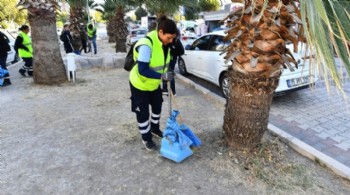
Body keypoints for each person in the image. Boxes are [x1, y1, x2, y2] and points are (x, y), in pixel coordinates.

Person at [129, 16, 177, 151]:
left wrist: (169, 73)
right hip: (140, 84)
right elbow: (143, 70)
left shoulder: (166, 44)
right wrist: (163, 76)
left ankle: (155, 129)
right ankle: (146, 137)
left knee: (157, 107)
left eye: (173, 38)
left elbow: (166, 62)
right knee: (143, 112)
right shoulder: (147, 44)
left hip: (154, 84)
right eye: (169, 37)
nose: (171, 40)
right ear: (160, 32)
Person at [162, 28, 184, 96]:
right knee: (167, 73)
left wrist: (173, 53)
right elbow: (181, 52)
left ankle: (172, 91)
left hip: (170, 60)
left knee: (169, 74)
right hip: (170, 59)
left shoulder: (174, 41)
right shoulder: (176, 41)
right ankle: (166, 90)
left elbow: (181, 51)